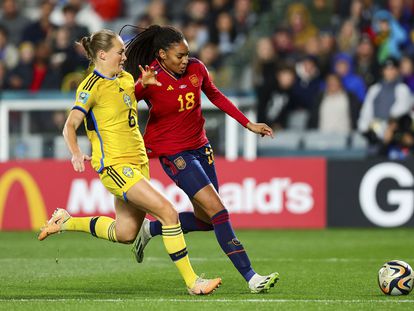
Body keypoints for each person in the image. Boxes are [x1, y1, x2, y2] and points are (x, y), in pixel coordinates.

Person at [37, 29, 221, 296]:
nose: (125, 56)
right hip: (115, 166)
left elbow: (125, 102)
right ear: (102, 55)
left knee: (125, 233)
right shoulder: (90, 87)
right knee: (168, 214)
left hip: (138, 162)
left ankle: (66, 222)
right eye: (120, 52)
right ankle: (194, 282)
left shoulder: (124, 78)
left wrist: (143, 84)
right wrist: (76, 152)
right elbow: (70, 125)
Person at [124, 24, 279, 294]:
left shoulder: (197, 68)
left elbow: (216, 96)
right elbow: (122, 102)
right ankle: (252, 277)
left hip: (200, 147)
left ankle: (151, 229)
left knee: (207, 220)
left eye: (187, 54)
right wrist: (138, 86)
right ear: (161, 55)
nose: (185, 60)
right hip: (174, 153)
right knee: (219, 211)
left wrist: (248, 124)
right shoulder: (151, 77)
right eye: (179, 56)